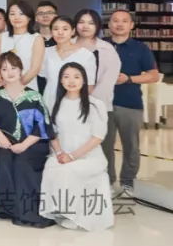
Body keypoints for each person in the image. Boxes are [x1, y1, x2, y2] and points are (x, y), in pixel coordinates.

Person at [40, 62, 113, 231]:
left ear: (84, 80)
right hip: (62, 154)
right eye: (66, 77)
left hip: (89, 157)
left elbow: (98, 137)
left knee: (68, 171)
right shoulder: (55, 104)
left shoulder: (95, 104)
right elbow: (52, 132)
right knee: (51, 166)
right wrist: (59, 153)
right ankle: (61, 211)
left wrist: (72, 156)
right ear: (60, 81)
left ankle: (75, 216)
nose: (71, 81)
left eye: (76, 77)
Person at [0, 51, 55, 228]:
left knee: (21, 163)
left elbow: (43, 126)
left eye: (13, 68)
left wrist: (24, 144)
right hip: (5, 143)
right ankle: (7, 208)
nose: (9, 72)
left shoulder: (34, 96)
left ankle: (27, 212)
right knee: (3, 160)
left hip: (33, 143)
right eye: (4, 69)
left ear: (20, 69)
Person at [107, 9, 160, 197]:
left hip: (130, 104)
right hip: (103, 105)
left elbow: (153, 76)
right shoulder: (102, 46)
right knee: (105, 147)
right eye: (115, 20)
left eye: (124, 21)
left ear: (131, 25)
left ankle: (128, 183)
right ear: (109, 24)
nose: (119, 24)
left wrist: (129, 79)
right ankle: (107, 182)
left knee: (131, 146)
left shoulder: (141, 48)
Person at [73, 9, 122, 181]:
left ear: (98, 26)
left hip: (99, 107)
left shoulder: (106, 49)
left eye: (91, 23)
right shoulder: (68, 45)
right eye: (81, 22)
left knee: (102, 147)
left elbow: (108, 80)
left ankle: (107, 183)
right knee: (75, 146)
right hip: (70, 105)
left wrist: (89, 101)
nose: (85, 26)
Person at [41, 15, 96, 110]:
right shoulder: (45, 52)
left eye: (65, 29)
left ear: (73, 31)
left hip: (75, 105)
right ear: (51, 32)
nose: (60, 32)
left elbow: (89, 86)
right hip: (50, 102)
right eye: (56, 29)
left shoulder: (86, 55)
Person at [0, 0, 44, 90]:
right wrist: (1, 84)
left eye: (21, 14)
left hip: (27, 88)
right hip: (4, 88)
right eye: (12, 14)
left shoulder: (36, 38)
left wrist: (17, 86)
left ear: (29, 17)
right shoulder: (2, 37)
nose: (16, 17)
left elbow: (35, 68)